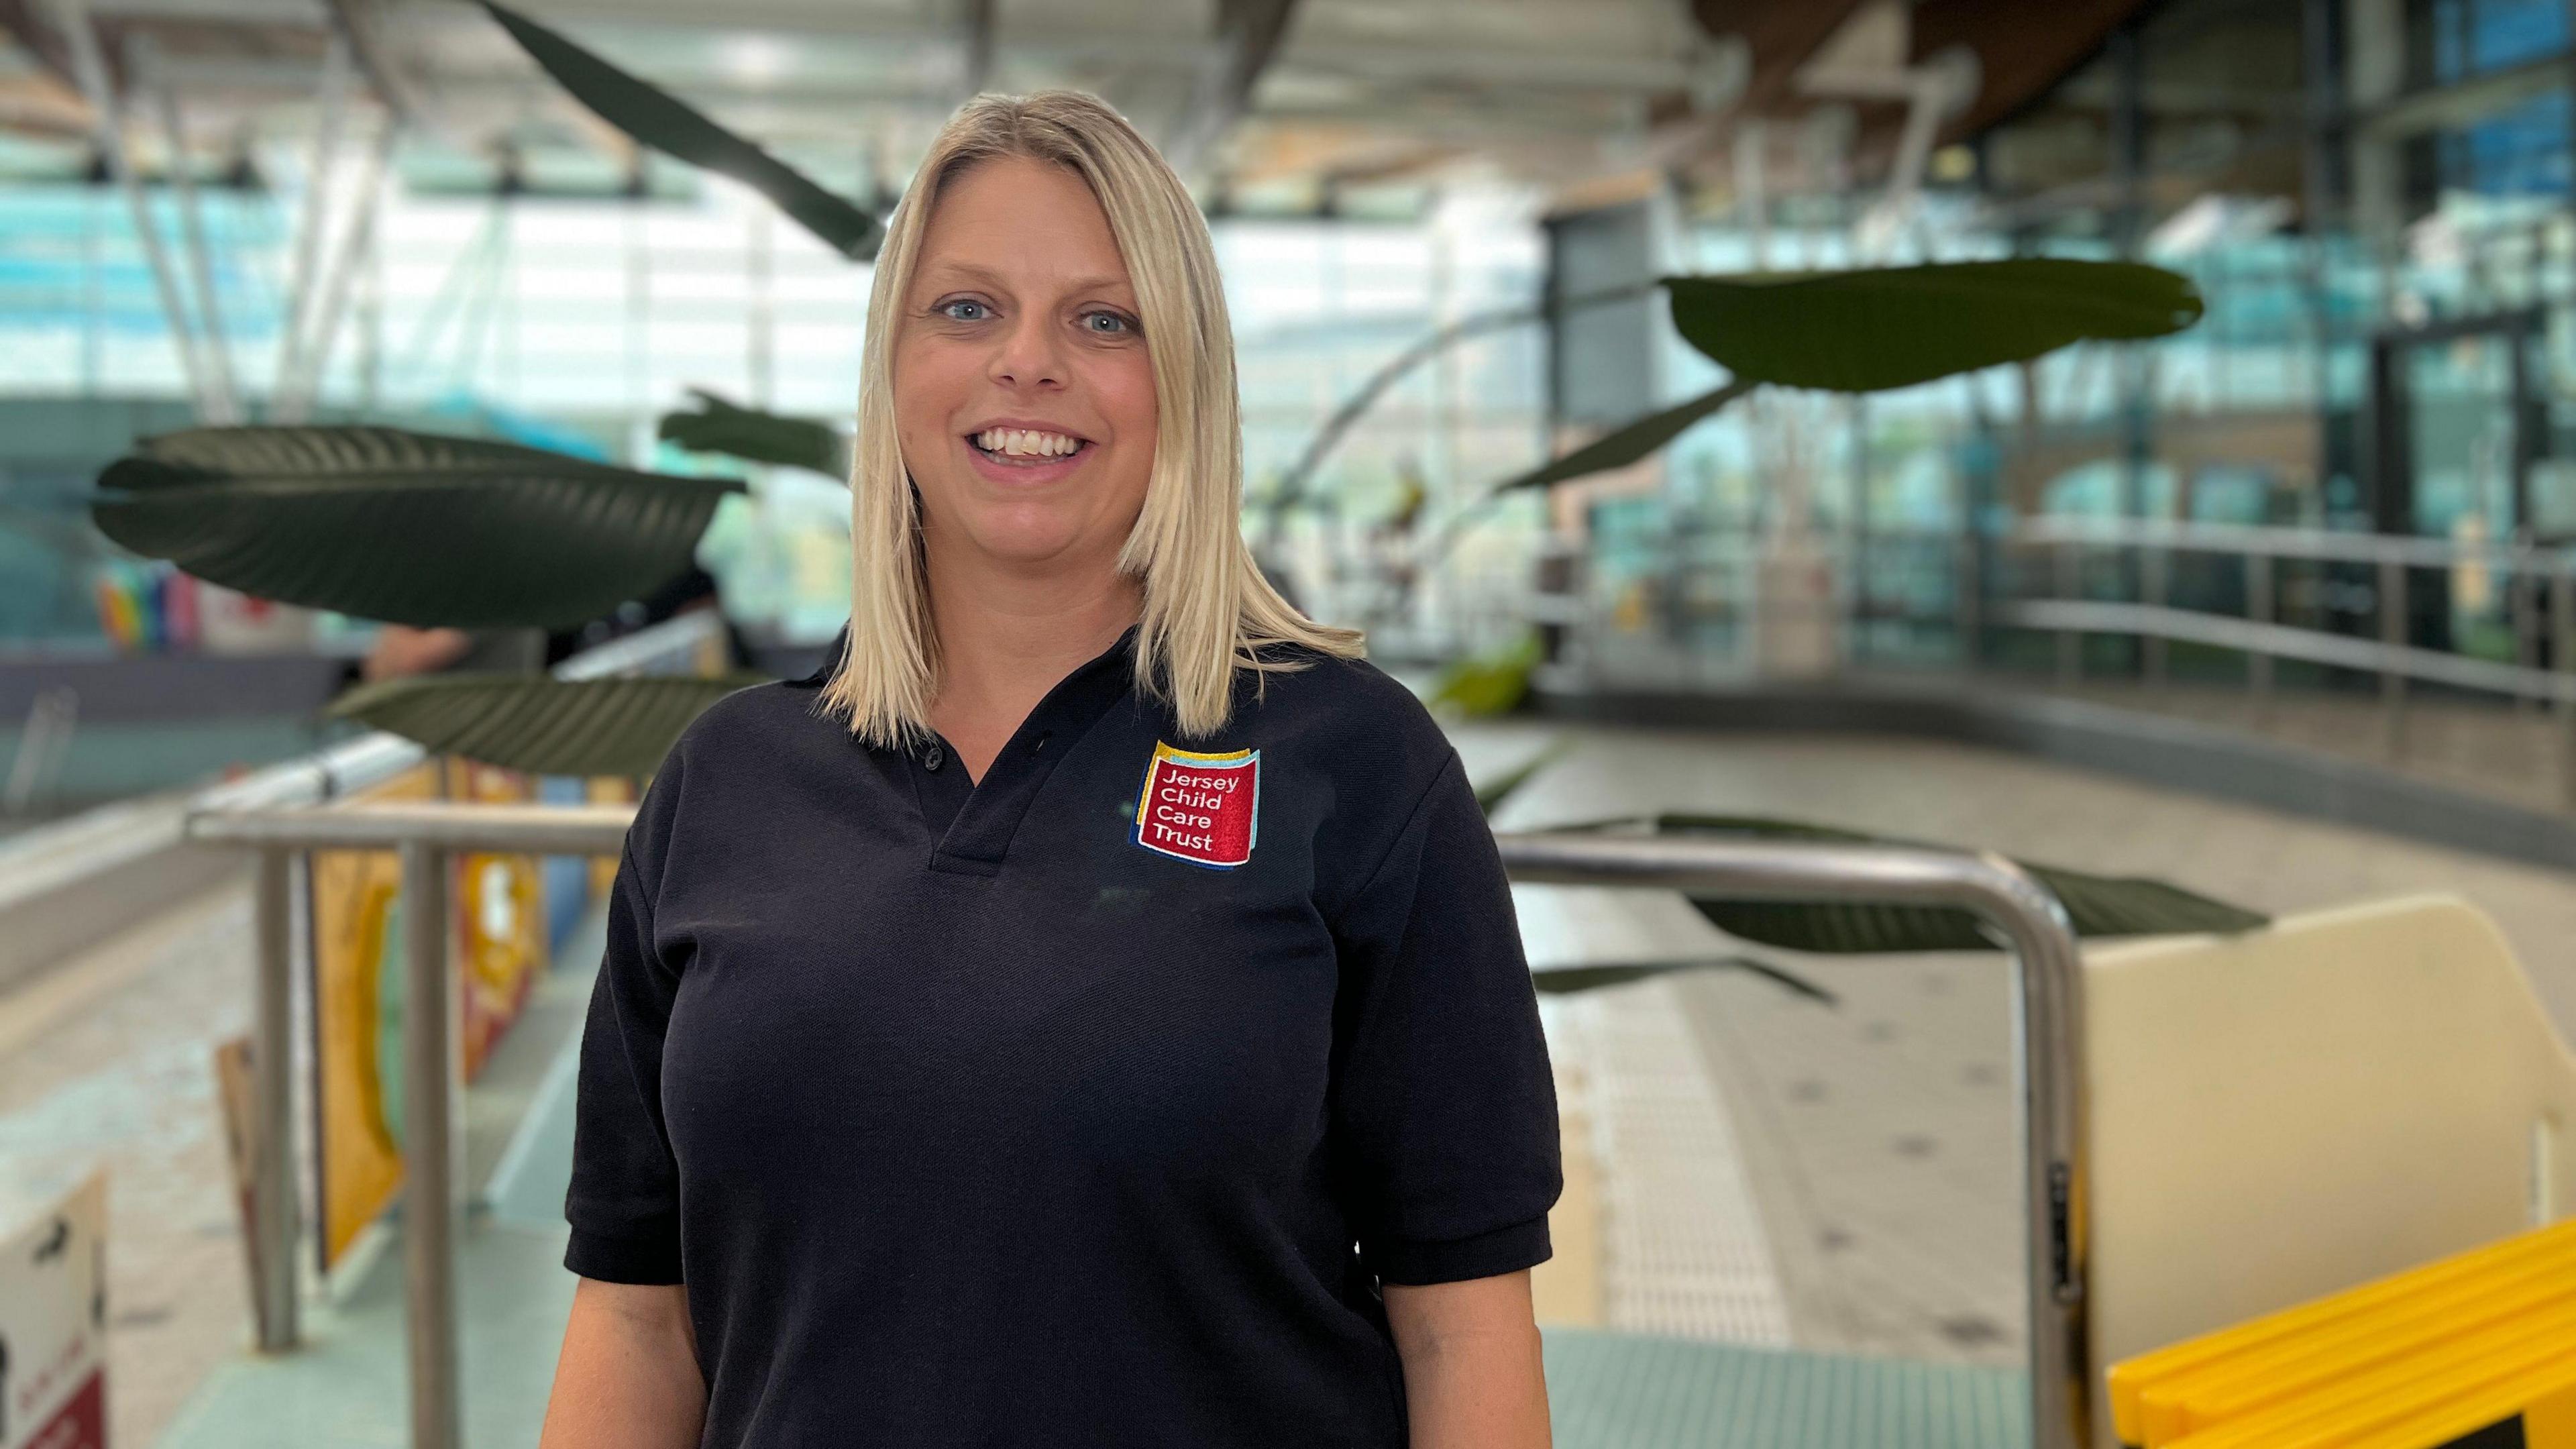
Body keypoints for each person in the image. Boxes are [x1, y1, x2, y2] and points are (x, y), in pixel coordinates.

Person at [537, 89, 1560, 1449]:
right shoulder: (727, 785)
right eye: (966, 309)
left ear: (1180, 381)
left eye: (1103, 319)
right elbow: (633, 1314)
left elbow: (1462, 1316)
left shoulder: (1352, 767)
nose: (1026, 364)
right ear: (893, 369)